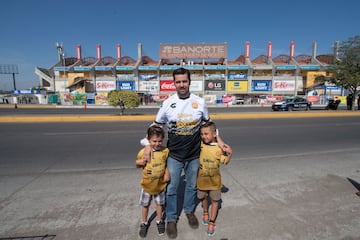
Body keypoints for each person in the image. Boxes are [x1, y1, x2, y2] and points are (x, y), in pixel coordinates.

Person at [141, 67, 228, 239]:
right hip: (174, 155)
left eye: (184, 81)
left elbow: (209, 125)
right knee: (172, 187)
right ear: (174, 83)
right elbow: (154, 127)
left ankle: (189, 211)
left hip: (195, 154)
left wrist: (220, 140)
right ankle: (171, 219)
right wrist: (147, 145)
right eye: (178, 81)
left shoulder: (199, 102)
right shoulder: (167, 104)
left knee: (191, 186)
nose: (182, 84)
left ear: (189, 82)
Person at [197, 121, 232, 236]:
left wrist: (229, 153)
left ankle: (212, 221)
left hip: (215, 183)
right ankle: (205, 212)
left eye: (206, 134)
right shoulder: (200, 145)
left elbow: (225, 161)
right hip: (201, 181)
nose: (204, 136)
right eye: (202, 134)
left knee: (215, 201)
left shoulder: (219, 148)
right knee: (203, 198)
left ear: (214, 134)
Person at [136, 125, 170, 238]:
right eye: (154, 141)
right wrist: (139, 163)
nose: (157, 143)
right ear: (149, 140)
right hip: (147, 186)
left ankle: (159, 221)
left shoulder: (165, 151)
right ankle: (144, 223)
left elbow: (165, 164)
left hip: (160, 186)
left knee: (159, 204)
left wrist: (166, 173)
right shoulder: (143, 152)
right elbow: (137, 164)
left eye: (160, 141)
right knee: (145, 205)